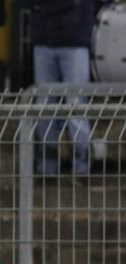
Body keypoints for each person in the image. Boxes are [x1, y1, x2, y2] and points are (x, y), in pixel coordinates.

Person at [26, 0, 94, 176]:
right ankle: (47, 168)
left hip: (74, 40)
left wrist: (40, 6)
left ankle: (80, 169)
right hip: (43, 40)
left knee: (76, 107)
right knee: (44, 108)